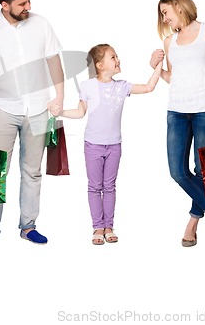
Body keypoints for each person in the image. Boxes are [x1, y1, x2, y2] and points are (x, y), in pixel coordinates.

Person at [0, 0, 64, 251]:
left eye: (29, 0)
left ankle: (28, 226)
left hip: (38, 108)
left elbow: (54, 61)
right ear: (4, 4)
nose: (28, 6)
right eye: (22, 3)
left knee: (32, 172)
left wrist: (59, 97)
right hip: (3, 110)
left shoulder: (41, 23)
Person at [49, 44, 164, 245]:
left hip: (114, 146)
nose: (118, 59)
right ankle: (97, 227)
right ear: (100, 65)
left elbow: (148, 87)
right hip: (93, 145)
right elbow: (80, 112)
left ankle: (109, 226)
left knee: (109, 186)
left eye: (117, 56)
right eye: (113, 57)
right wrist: (61, 113)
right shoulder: (87, 86)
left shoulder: (122, 87)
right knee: (95, 187)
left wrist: (158, 65)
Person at [150, 0, 205, 247]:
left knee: (202, 171)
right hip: (177, 111)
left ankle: (193, 221)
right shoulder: (169, 42)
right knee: (177, 172)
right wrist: (155, 67)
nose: (164, 19)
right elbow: (174, 78)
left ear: (179, 5)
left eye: (166, 12)